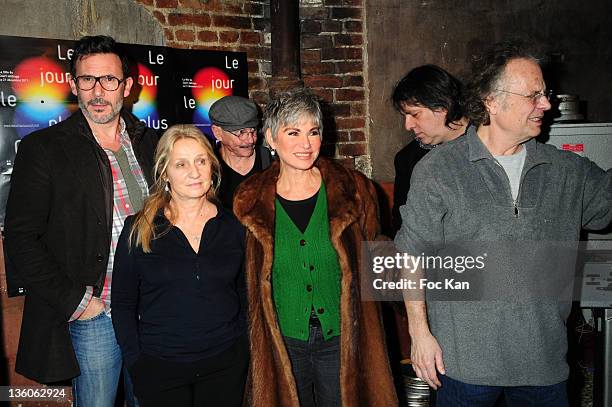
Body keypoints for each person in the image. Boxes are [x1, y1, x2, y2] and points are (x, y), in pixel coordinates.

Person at [395, 41, 612, 406]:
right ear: (492, 101)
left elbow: (605, 206)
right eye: (533, 95)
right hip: (463, 368)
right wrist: (419, 333)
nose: (546, 104)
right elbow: (411, 254)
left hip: (543, 368)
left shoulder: (567, 172)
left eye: (546, 94)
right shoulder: (439, 170)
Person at [4, 35, 157, 406]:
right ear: (74, 84)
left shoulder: (154, 144)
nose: (98, 91)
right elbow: (21, 239)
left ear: (128, 87)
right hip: (96, 315)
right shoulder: (44, 150)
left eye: (109, 80)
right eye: (87, 80)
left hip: (153, 309)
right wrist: (79, 302)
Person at [233, 88, 397, 407]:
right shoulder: (249, 199)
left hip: (342, 338)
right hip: (281, 339)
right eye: (293, 132)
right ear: (270, 137)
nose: (305, 144)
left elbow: (380, 261)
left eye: (313, 132)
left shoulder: (354, 189)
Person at [111, 125, 248, 407]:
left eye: (201, 161)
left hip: (225, 366)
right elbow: (123, 304)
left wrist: (243, 349)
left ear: (213, 166)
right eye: (181, 164)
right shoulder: (140, 229)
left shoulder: (234, 227)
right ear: (165, 173)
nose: (195, 172)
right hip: (161, 369)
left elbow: (245, 295)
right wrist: (137, 363)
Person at [391, 65, 468, 234]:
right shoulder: (407, 159)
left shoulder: (491, 144)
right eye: (405, 116)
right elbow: (402, 229)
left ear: (442, 106)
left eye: (415, 114)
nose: (408, 125)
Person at [209, 95, 272, 209]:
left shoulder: (269, 160)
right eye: (241, 132)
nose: (250, 140)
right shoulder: (209, 166)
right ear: (217, 132)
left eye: (253, 131)